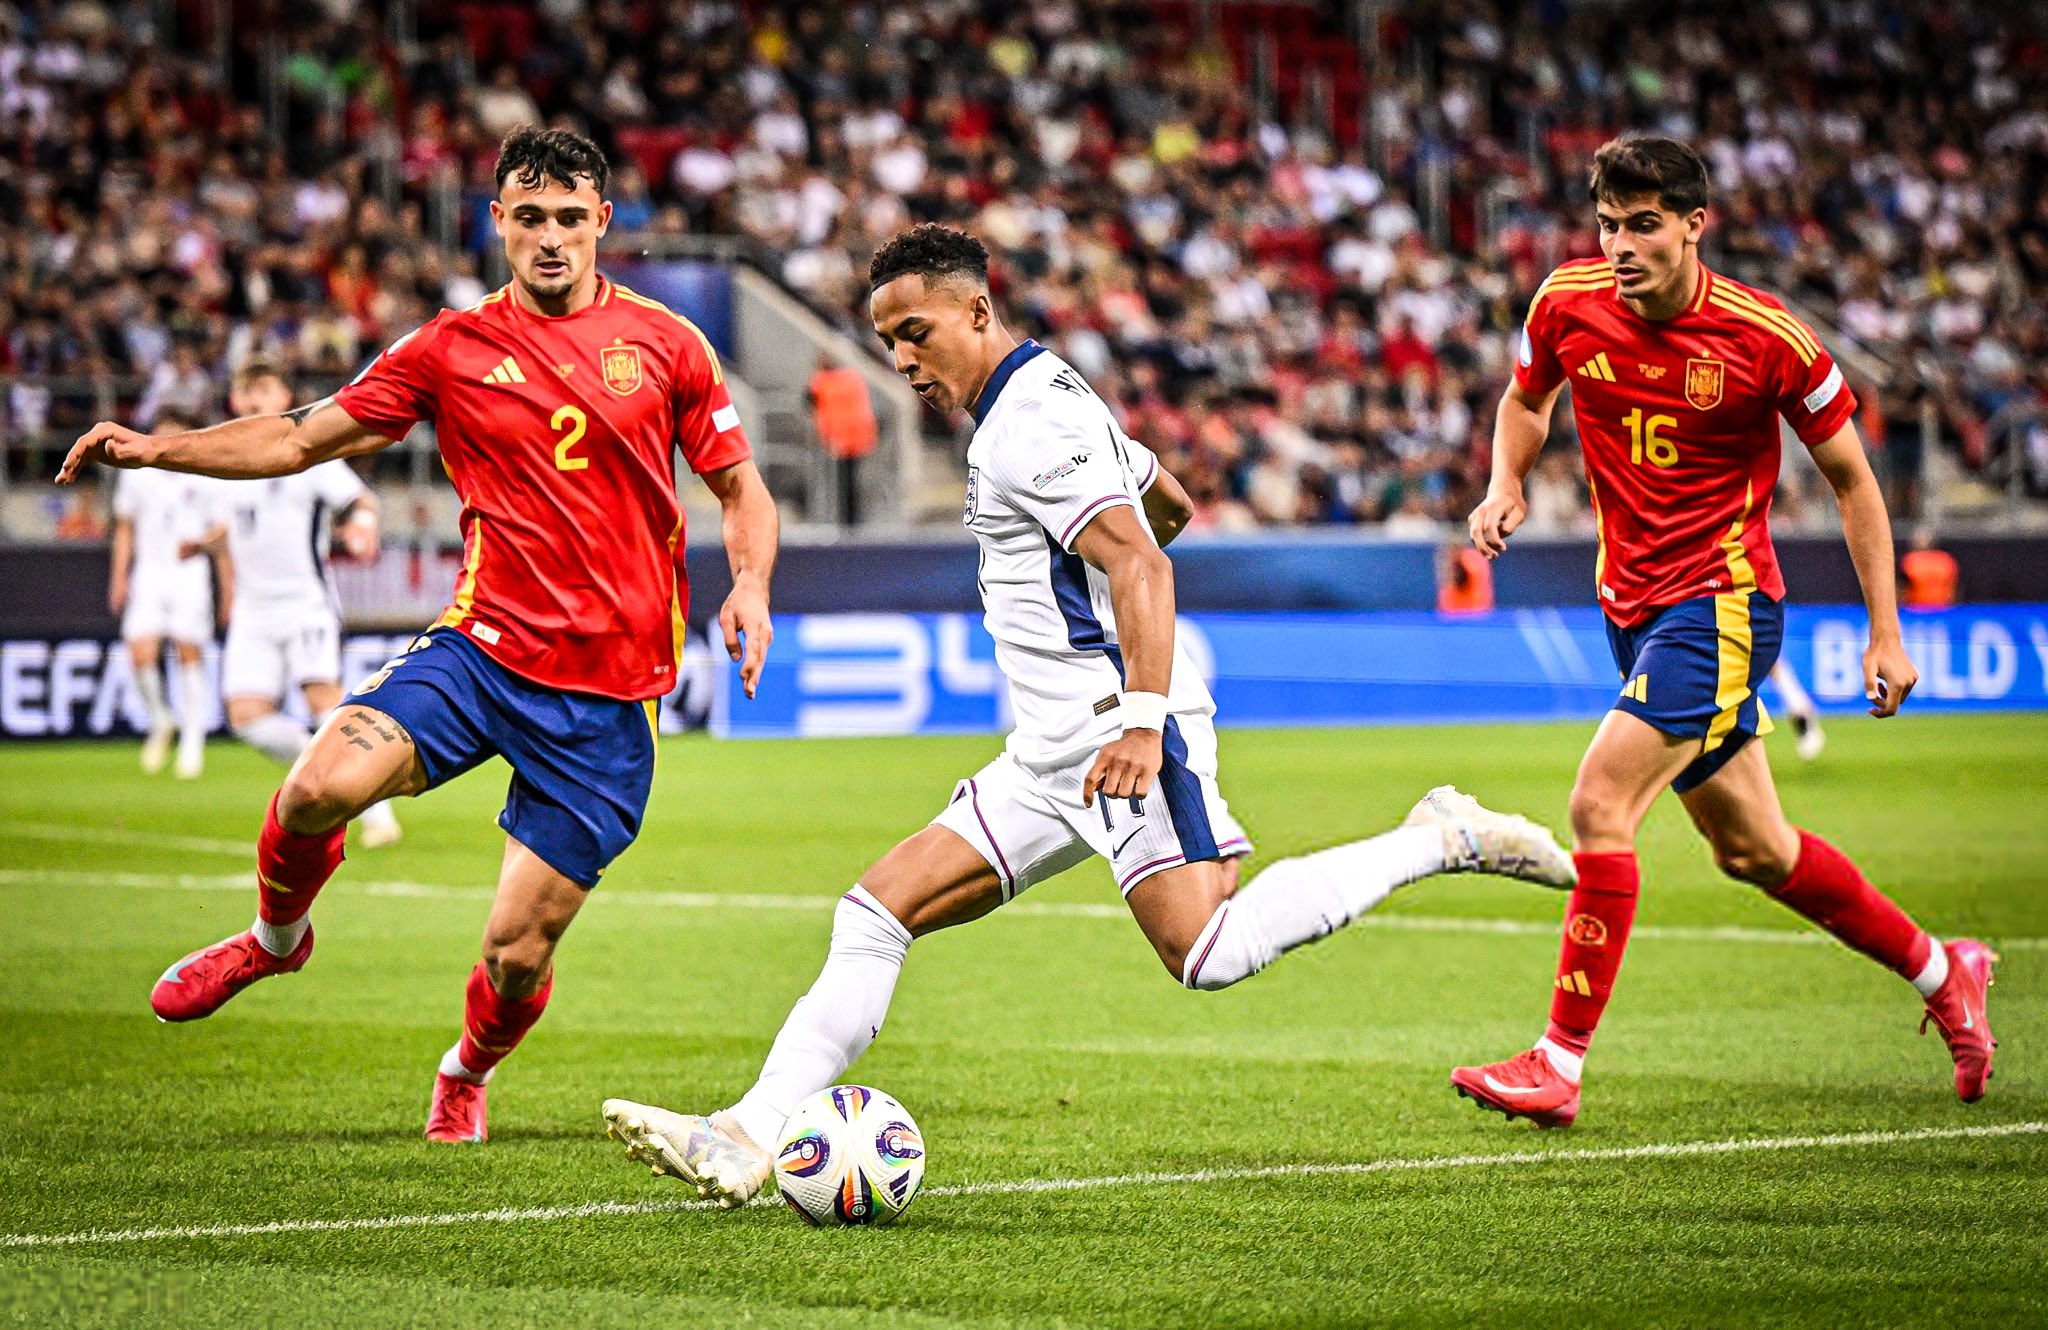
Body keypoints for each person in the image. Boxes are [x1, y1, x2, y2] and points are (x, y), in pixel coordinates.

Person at [598, 224, 1577, 1207]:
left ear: (977, 311)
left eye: (915, 332)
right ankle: (748, 1131)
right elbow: (1168, 502)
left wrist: (1142, 721)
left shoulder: (1033, 421)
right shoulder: (1039, 397)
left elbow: (1144, 557)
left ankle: (1438, 837)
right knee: (876, 912)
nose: (900, 359)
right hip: (1051, 748)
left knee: (1206, 951)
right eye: (887, 339)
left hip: (1118, 735)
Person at [58, 126, 780, 1143]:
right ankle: (274, 940)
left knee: (516, 954)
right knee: (314, 787)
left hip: (608, 699)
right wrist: (156, 450)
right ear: (498, 222)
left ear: (602, 222)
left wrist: (749, 584)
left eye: (570, 218)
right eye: (530, 217)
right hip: (480, 654)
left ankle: (464, 1070)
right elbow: (299, 438)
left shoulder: (667, 344)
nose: (551, 238)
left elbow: (740, 489)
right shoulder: (449, 348)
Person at [1454, 137, 1996, 1130]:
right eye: (1608, 225)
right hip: (1628, 606)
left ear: (1694, 224)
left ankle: (1557, 1063)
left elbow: (1853, 482)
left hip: (1722, 605)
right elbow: (1525, 398)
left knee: (1598, 803)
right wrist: (1506, 482)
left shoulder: (1767, 337)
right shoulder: (1565, 301)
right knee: (1754, 850)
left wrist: (1886, 632)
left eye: (1643, 225)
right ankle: (1941, 969)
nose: (1620, 245)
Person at [199, 360, 402, 847]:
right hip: (252, 609)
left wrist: (361, 527)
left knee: (325, 705)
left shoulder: (308, 456)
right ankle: (329, 779)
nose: (254, 399)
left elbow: (361, 501)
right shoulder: (226, 464)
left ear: (284, 398)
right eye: (246, 391)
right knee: (246, 716)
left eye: (264, 389)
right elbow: (232, 531)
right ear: (234, 401)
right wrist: (210, 556)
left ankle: (377, 812)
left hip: (304, 603)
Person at [109, 410, 231, 780]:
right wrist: (119, 577)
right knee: (139, 651)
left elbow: (223, 533)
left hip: (188, 574)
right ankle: (161, 718)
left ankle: (193, 739)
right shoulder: (136, 474)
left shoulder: (205, 474)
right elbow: (125, 528)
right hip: (149, 572)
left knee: (188, 653)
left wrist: (227, 587)